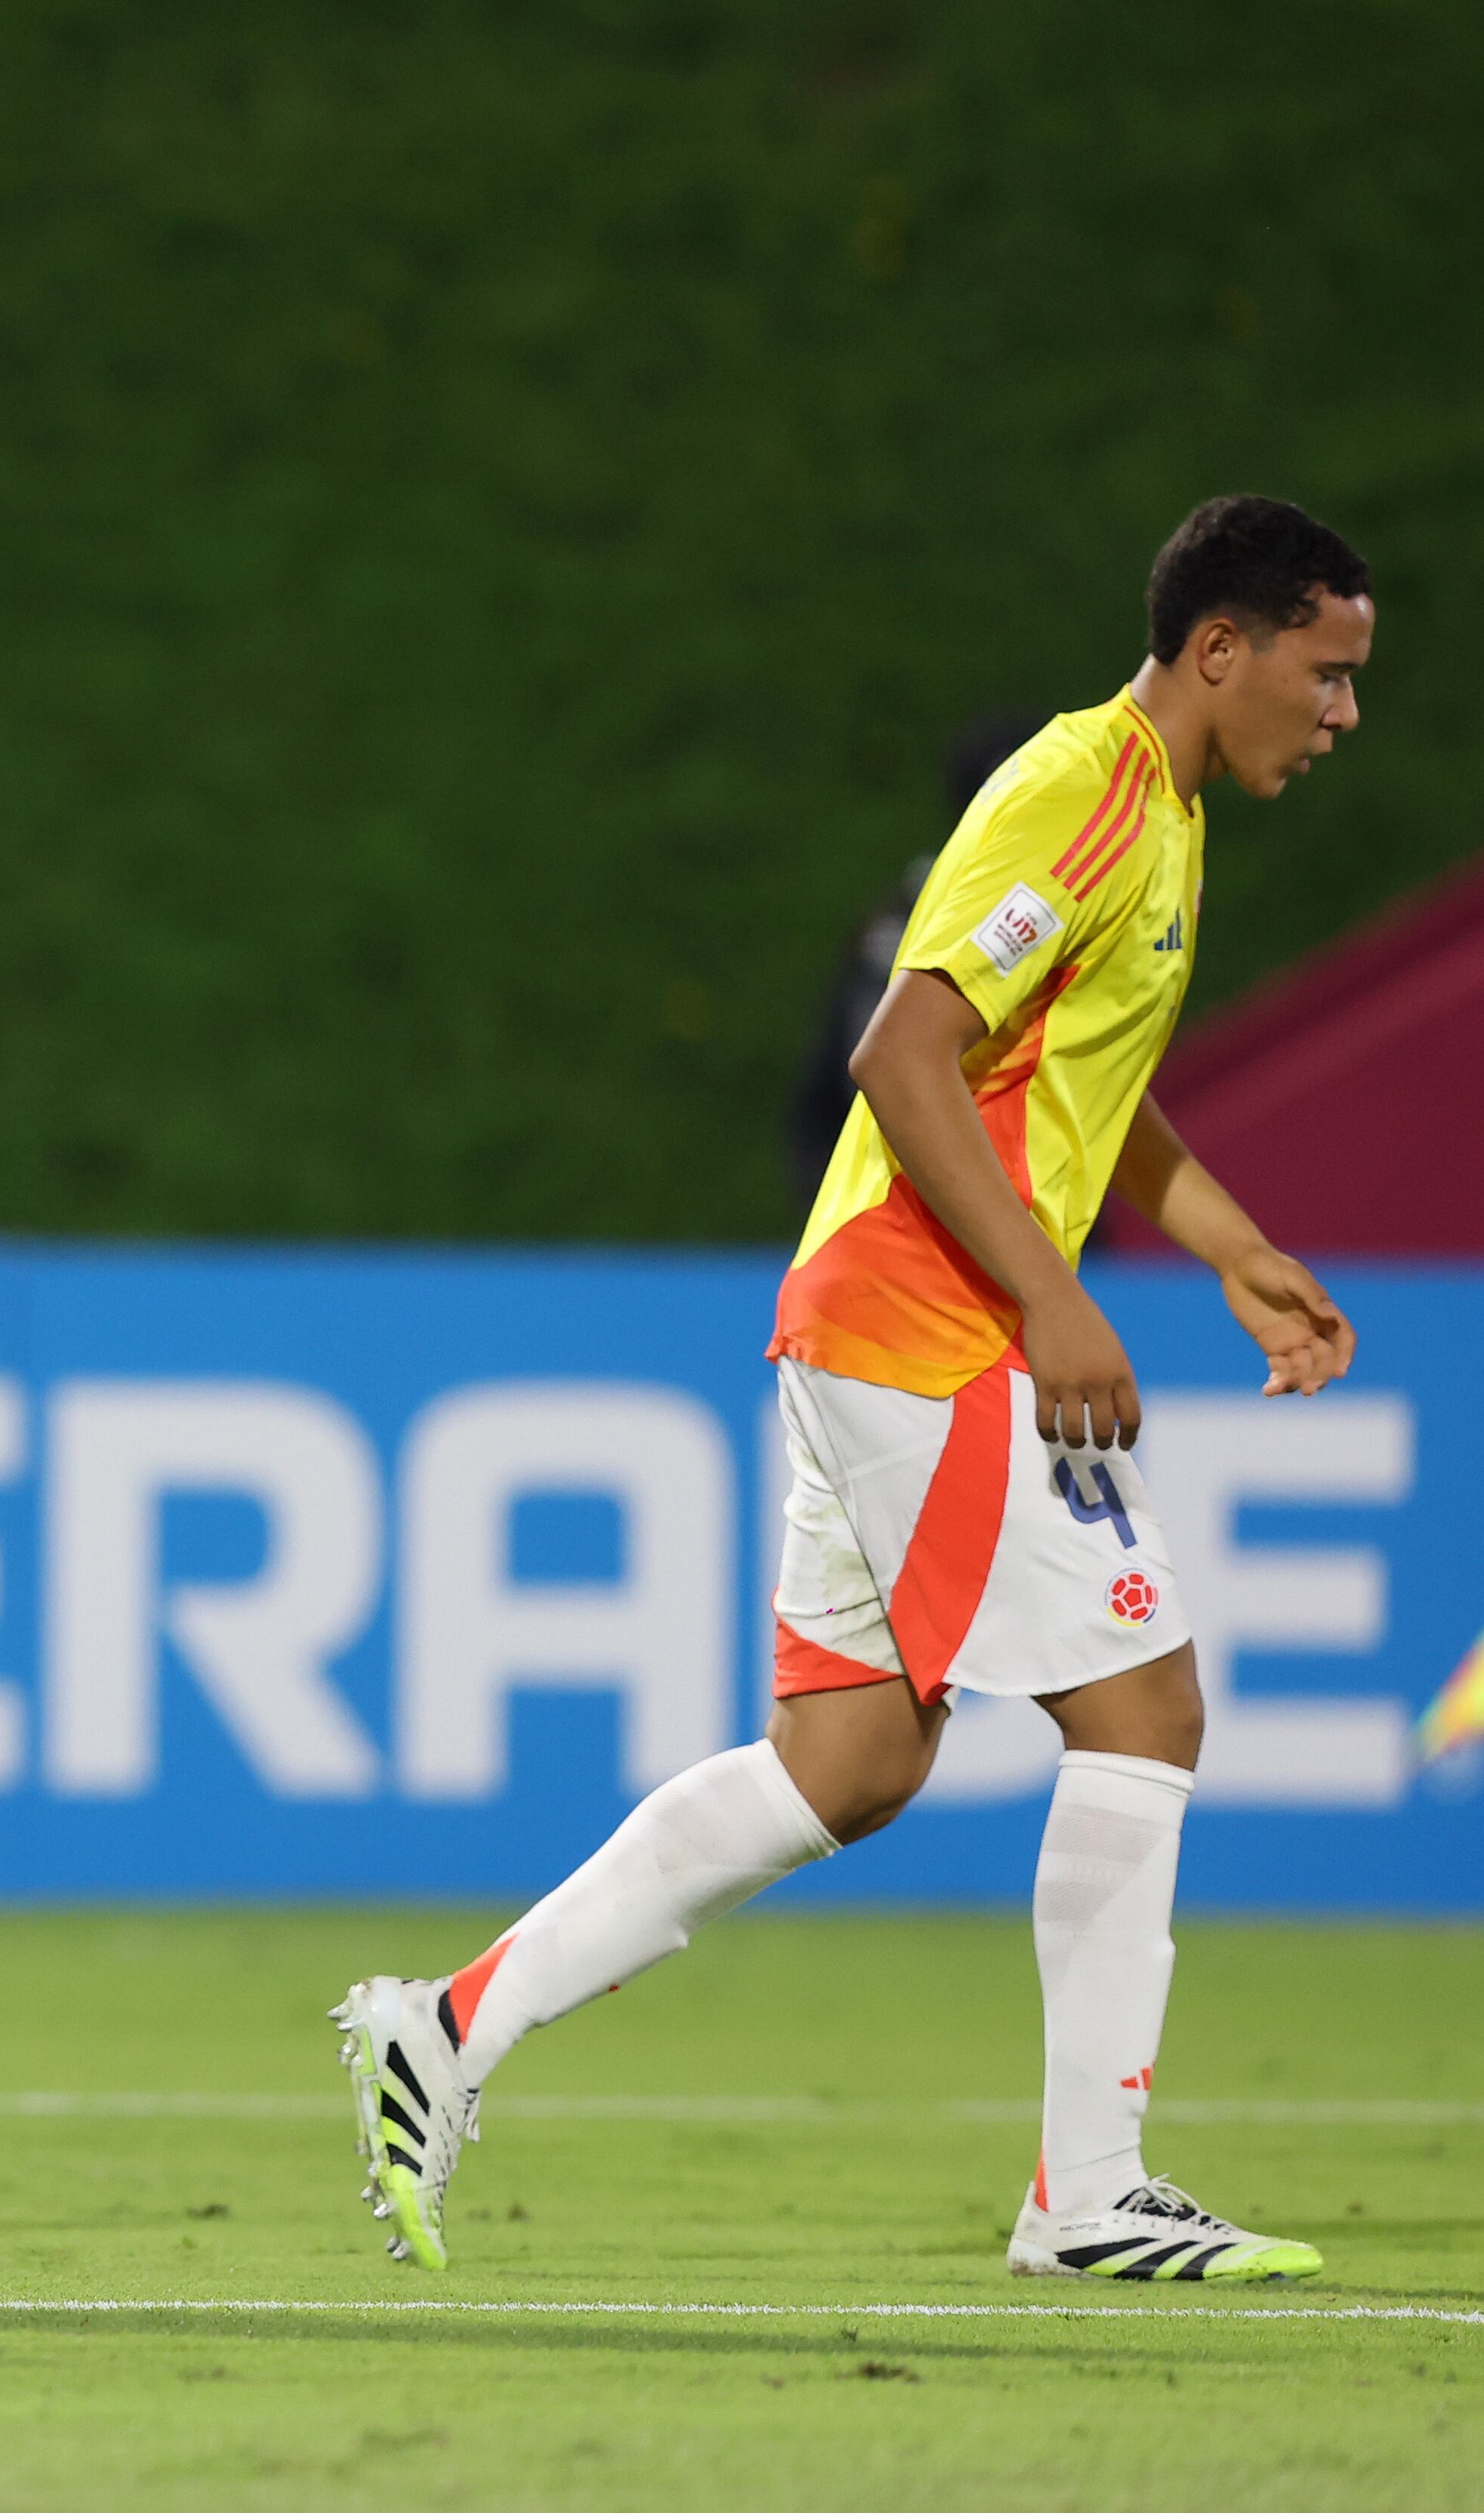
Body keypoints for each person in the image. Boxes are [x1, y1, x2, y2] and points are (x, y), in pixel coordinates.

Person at [335, 494, 1372, 2284]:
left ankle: (444, 2025)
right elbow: (904, 1051)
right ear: (1226, 647)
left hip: (877, 1323)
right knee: (1147, 1711)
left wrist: (1225, 1241)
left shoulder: (1168, 815)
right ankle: (1088, 2192)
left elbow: (1080, 1088)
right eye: (1328, 669)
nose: (1344, 711)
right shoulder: (1089, 787)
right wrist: (1054, 1302)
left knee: (849, 1762)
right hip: (930, 1323)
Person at [782, 712, 1039, 1213]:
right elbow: (869, 1074)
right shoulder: (909, 927)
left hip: (1005, 1214)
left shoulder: (908, 917)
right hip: (913, 1214)